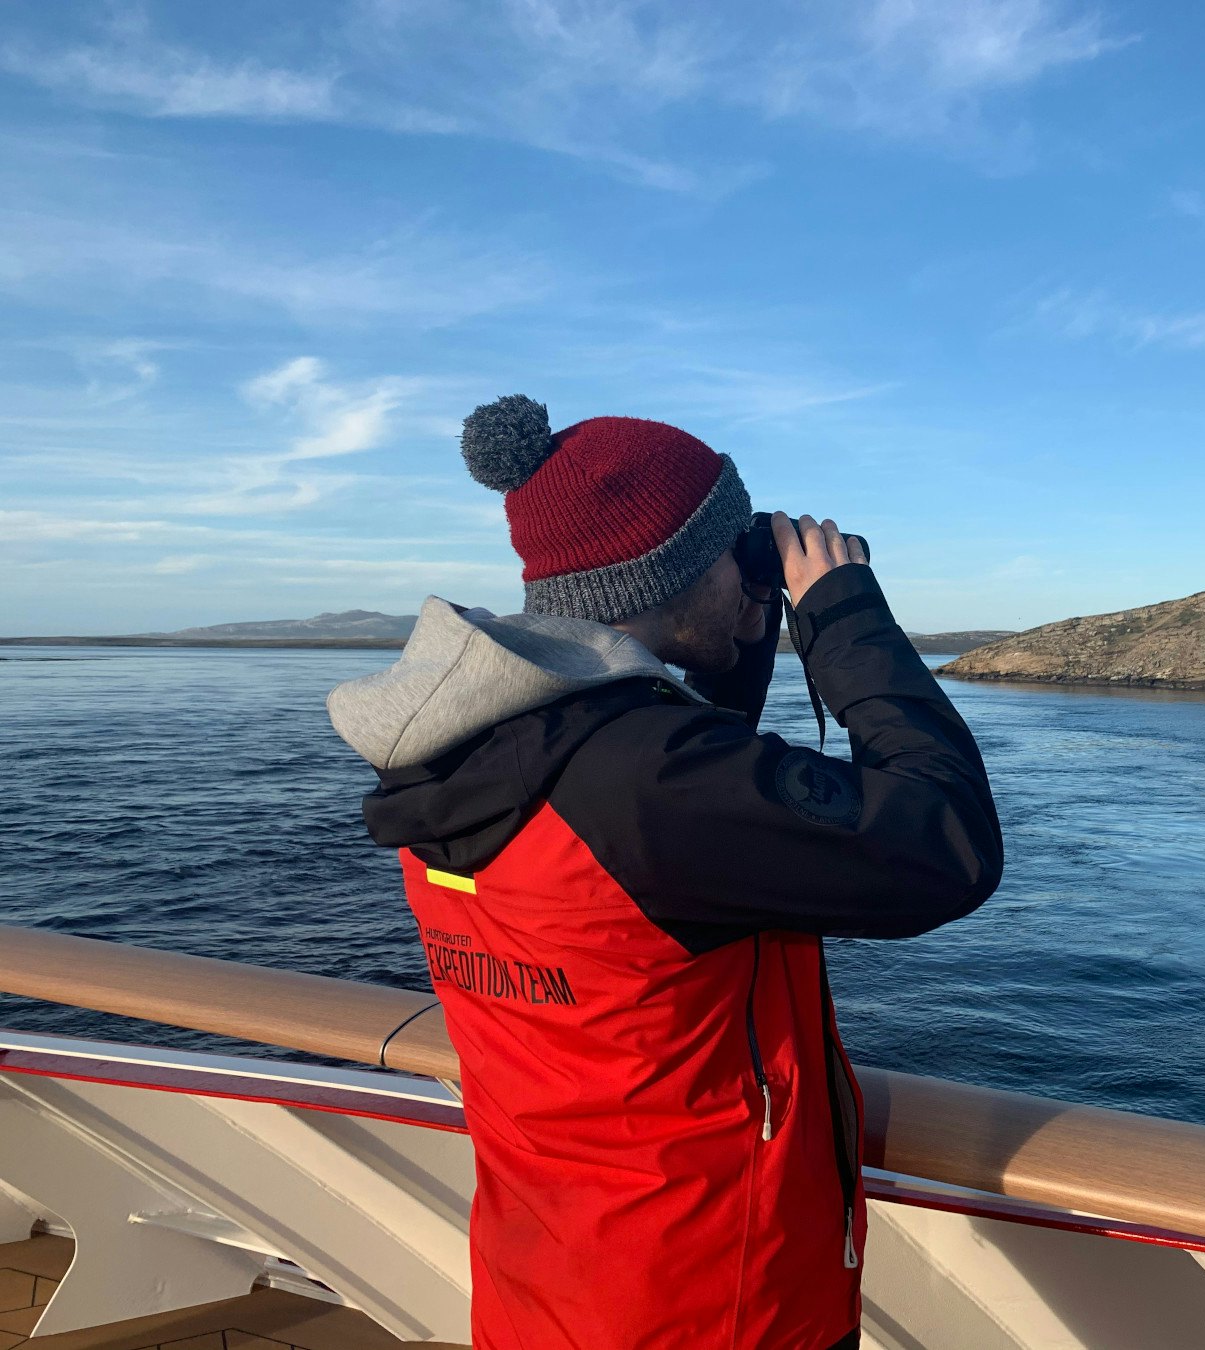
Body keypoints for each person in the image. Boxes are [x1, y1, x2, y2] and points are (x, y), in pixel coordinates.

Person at [327, 398, 1004, 1350]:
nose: (748, 579)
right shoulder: (658, 788)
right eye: (736, 557)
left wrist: (734, 623)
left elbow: (683, 753)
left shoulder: (467, 749)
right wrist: (847, 620)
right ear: (673, 572)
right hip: (714, 1307)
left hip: (545, 1284)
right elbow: (948, 845)